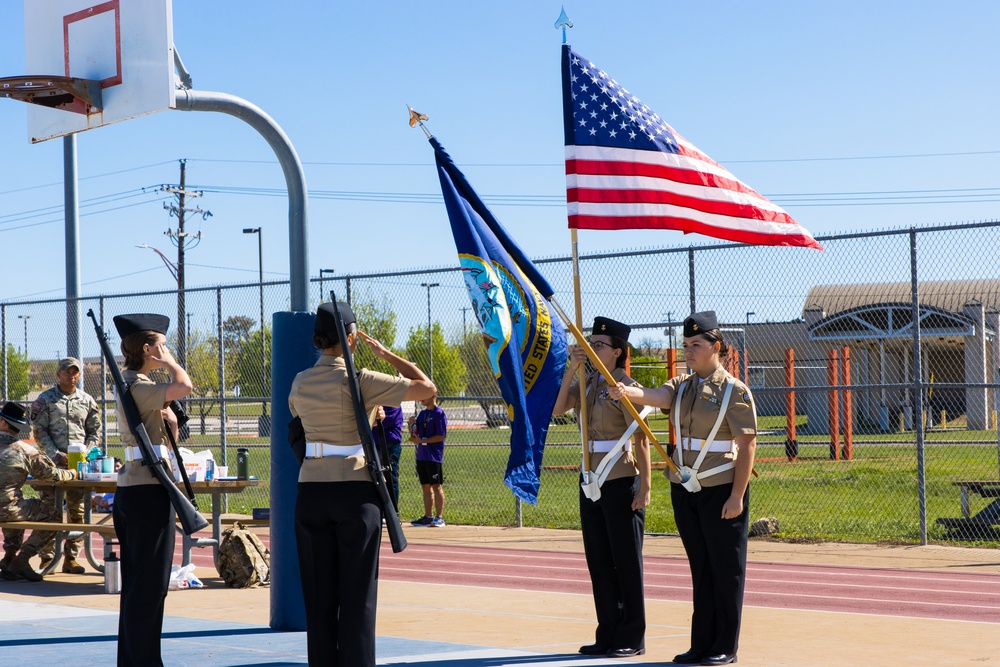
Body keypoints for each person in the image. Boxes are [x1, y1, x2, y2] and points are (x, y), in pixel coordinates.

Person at [289, 302, 436, 666]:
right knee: (358, 597)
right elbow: (426, 388)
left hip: (311, 489)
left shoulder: (300, 381)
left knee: (319, 596)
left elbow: (301, 420)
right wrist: (386, 355)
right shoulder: (362, 379)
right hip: (355, 490)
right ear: (352, 338)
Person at [609, 311, 757, 667]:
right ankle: (701, 643)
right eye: (685, 345)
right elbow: (656, 395)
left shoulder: (734, 391)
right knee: (700, 568)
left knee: (726, 570)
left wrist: (737, 496)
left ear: (716, 347)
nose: (688, 350)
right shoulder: (682, 385)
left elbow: (747, 444)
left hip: (721, 490)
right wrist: (626, 390)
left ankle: (725, 645)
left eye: (696, 345)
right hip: (685, 488)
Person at [552, 316, 651, 659]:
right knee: (599, 559)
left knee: (625, 560)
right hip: (591, 479)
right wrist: (572, 367)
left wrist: (646, 488)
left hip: (621, 477)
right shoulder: (588, 382)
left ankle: (632, 635)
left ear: (617, 351)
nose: (593, 348)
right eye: (590, 343)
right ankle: (607, 631)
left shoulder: (627, 387)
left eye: (599, 345)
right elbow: (558, 407)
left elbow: (641, 440)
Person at [111, 313, 192, 667]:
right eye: (161, 344)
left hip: (133, 489)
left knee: (137, 585)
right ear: (148, 349)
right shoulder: (140, 386)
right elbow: (185, 386)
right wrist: (172, 363)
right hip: (148, 492)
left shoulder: (130, 383)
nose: (166, 349)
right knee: (150, 585)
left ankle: (133, 659)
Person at [27, 356, 102, 574]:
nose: (72, 376)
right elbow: (39, 430)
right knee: (51, 511)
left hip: (78, 466)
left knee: (78, 511)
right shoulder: (46, 399)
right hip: (53, 465)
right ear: (58, 374)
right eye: (67, 372)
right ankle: (47, 558)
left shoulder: (87, 400)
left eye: (75, 372)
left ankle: (72, 558)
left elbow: (94, 432)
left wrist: (84, 453)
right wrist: (55, 455)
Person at [0, 402, 78, 582]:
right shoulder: (26, 451)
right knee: (52, 514)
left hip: (8, 507)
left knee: (15, 504)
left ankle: (9, 557)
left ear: (4, 423)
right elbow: (53, 475)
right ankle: (22, 558)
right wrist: (72, 473)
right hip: (7, 508)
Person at [407, 394, 447, 528]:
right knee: (425, 486)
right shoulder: (422, 414)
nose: (421, 399)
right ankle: (427, 516)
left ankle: (439, 518)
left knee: (436, 485)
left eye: (424, 396)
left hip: (433, 456)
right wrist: (411, 425)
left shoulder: (439, 414)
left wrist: (423, 441)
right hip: (421, 456)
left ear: (433, 396)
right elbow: (414, 435)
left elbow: (441, 436)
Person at [372, 404, 404, 510]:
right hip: (373, 443)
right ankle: (379, 510)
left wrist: (371, 420)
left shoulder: (392, 402)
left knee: (390, 477)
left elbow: (383, 421)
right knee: (374, 478)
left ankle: (392, 511)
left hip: (389, 443)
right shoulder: (375, 401)